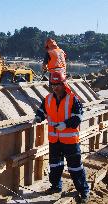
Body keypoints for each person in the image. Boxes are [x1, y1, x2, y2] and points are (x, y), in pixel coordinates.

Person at [32, 71, 90, 203]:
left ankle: (84, 191)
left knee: (75, 167)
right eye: (52, 84)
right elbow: (42, 111)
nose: (55, 87)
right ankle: (56, 187)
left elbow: (78, 117)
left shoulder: (72, 98)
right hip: (54, 140)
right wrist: (38, 117)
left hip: (70, 141)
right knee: (55, 165)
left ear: (63, 84)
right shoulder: (48, 98)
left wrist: (65, 124)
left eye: (57, 84)